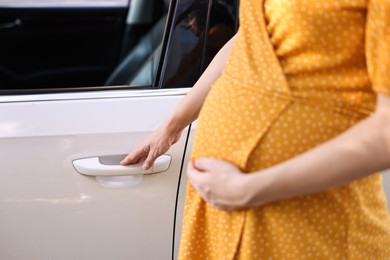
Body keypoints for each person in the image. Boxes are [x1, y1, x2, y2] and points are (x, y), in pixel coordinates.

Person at [121, 0, 390, 258]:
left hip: (310, 218)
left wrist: (248, 189)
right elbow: (249, 38)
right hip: (229, 212)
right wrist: (171, 126)